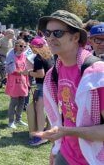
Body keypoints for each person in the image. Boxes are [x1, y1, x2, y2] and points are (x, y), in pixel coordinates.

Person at [35, 10, 104, 164]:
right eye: (47, 33)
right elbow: (64, 116)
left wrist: (66, 132)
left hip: (92, 158)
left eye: (57, 33)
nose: (50, 38)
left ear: (75, 37)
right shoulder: (54, 73)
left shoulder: (97, 75)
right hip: (65, 153)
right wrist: (55, 148)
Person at [26, 37, 53, 146]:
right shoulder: (50, 55)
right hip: (52, 85)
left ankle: (41, 136)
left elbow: (41, 74)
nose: (31, 49)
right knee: (51, 111)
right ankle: (50, 132)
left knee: (39, 110)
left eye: (31, 47)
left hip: (43, 86)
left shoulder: (38, 58)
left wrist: (28, 73)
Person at [5, 39, 30, 129]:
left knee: (22, 101)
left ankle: (18, 119)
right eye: (20, 46)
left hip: (22, 82)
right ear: (15, 46)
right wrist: (21, 72)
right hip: (14, 83)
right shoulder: (11, 56)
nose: (22, 48)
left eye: (24, 46)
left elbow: (25, 68)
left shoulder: (24, 56)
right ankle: (11, 121)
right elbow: (9, 70)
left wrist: (27, 81)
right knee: (14, 102)